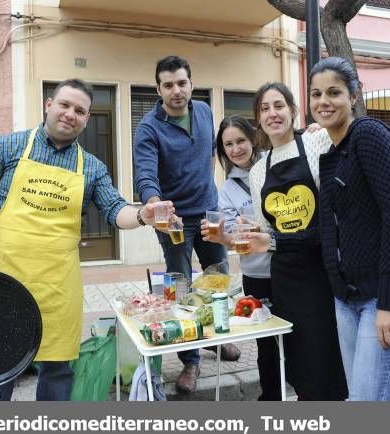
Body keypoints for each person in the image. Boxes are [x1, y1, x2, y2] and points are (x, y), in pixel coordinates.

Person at [0, 78, 174, 401]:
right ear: (48, 105)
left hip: (58, 286)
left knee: (57, 369)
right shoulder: (6, 147)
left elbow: (116, 210)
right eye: (65, 105)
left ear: (86, 119)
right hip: (4, 280)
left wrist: (144, 215)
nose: (71, 114)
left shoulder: (92, 167)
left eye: (80, 111)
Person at [311, 57, 390, 400]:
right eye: (316, 94)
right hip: (350, 301)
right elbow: (333, 229)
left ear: (354, 95)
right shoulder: (333, 154)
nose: (323, 101)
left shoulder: (368, 134)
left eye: (333, 92)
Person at [133, 55, 240, 394]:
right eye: (168, 85)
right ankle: (190, 359)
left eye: (182, 83)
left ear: (191, 84)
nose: (176, 90)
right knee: (179, 288)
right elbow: (146, 174)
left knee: (217, 281)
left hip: (208, 213)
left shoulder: (205, 112)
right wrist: (154, 204)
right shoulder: (149, 127)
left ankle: (216, 338)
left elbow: (210, 155)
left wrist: (210, 191)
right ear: (159, 89)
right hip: (175, 220)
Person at [244, 82, 348, 400]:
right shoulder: (258, 171)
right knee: (298, 361)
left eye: (279, 106)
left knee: (324, 359)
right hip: (285, 279)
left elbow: (335, 215)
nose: (272, 113)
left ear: (292, 111)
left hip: (321, 273)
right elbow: (267, 232)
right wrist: (248, 237)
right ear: (258, 119)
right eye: (265, 108)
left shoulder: (316, 142)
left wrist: (324, 126)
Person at [200, 115, 281, 400]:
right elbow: (237, 240)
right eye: (228, 145)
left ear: (253, 139)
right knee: (266, 346)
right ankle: (271, 400)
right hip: (257, 277)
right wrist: (223, 238)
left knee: (297, 340)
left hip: (290, 270)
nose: (236, 149)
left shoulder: (276, 166)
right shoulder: (228, 191)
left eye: (241, 141)